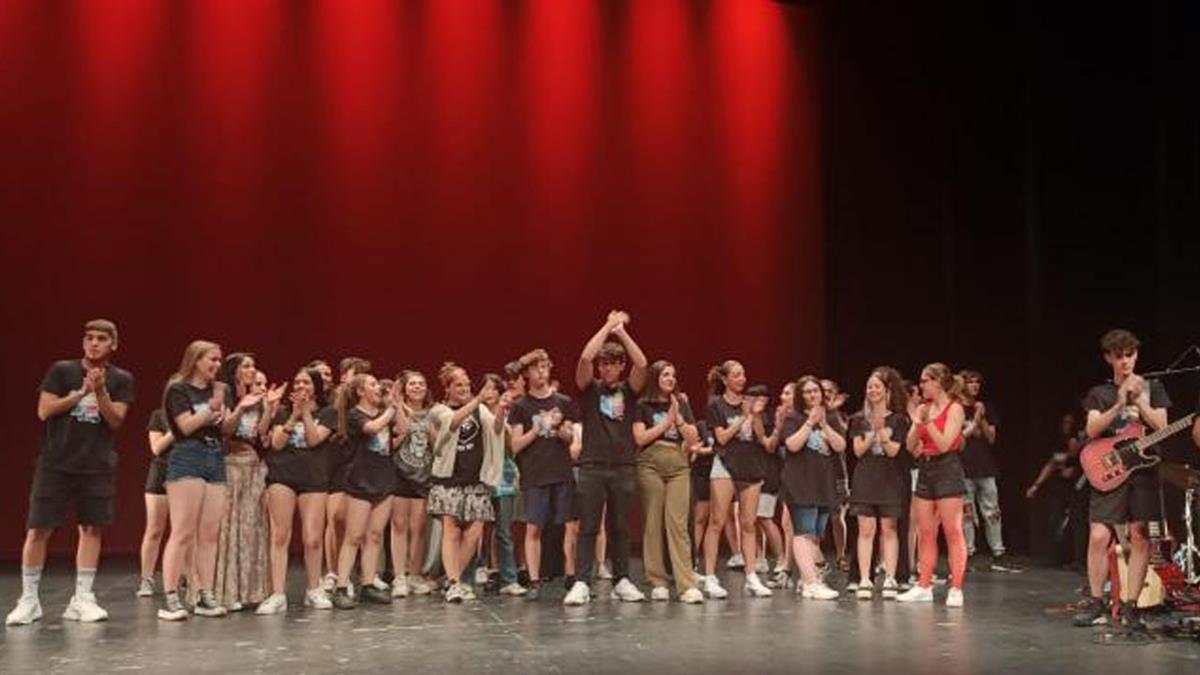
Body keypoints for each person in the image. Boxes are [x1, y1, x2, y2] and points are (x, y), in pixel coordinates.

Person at [7, 319, 135, 626]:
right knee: (38, 529)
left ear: (113, 344)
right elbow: (44, 410)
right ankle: (29, 600)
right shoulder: (61, 371)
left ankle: (82, 598)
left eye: (101, 339)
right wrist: (81, 393)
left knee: (91, 528)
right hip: (56, 462)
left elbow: (116, 419)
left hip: (96, 464)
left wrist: (100, 391)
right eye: (89, 338)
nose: (94, 343)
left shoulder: (121, 378)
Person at [1072, 330, 1170, 630]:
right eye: (1118, 356)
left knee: (1140, 536)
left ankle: (1131, 606)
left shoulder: (1153, 387)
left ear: (1136, 355)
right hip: (1110, 470)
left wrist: (1139, 401)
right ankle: (1096, 601)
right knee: (1100, 536)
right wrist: (1117, 403)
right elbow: (1091, 430)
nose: (1125, 361)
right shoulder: (1098, 393)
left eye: (1130, 355)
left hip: (1143, 472)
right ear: (1108, 358)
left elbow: (1162, 426)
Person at [564, 311, 649, 605]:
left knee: (621, 526)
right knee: (588, 525)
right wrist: (607, 326)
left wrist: (622, 332)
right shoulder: (590, 389)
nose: (608, 369)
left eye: (614, 364)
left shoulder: (630, 390)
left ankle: (622, 579)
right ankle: (582, 582)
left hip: (623, 466)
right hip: (592, 467)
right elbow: (584, 359)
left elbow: (642, 363)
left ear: (620, 367)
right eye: (605, 364)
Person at [157, 340, 243, 621]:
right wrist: (210, 409)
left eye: (219, 361)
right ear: (195, 360)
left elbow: (227, 429)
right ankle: (171, 596)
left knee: (209, 533)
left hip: (215, 456)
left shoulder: (222, 390)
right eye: (212, 360)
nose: (217, 366)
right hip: (187, 456)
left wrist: (239, 409)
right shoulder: (178, 389)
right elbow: (184, 426)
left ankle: (205, 593)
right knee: (183, 531)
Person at [257, 367, 336, 614]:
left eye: (307, 383)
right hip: (282, 476)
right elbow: (277, 444)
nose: (301, 387)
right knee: (280, 535)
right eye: (298, 383)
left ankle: (313, 589)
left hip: (314, 478)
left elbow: (314, 440)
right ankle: (277, 593)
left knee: (312, 538)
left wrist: (306, 414)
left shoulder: (328, 413)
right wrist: (293, 416)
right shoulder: (281, 412)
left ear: (316, 388)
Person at [428, 364, 508, 603]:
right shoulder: (439, 409)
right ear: (448, 388)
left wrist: (502, 410)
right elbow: (452, 422)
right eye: (458, 385)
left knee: (473, 535)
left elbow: (495, 430)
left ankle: (451, 579)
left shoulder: (480, 409)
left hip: (476, 480)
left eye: (466, 384)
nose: (464, 389)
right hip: (450, 480)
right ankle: (454, 583)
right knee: (451, 531)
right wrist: (477, 400)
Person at [699, 360, 774, 599]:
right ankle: (710, 576)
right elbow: (721, 438)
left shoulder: (750, 403)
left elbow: (761, 437)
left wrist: (756, 416)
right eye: (737, 375)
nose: (742, 379)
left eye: (743, 374)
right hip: (726, 464)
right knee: (717, 521)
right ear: (725, 379)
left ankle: (751, 576)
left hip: (751, 464)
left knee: (749, 524)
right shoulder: (716, 405)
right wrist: (743, 417)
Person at [632, 361, 705, 603]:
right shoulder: (643, 404)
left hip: (678, 463)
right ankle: (657, 581)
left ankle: (686, 584)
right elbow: (640, 437)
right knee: (653, 522)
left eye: (673, 375)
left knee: (678, 524)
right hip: (650, 463)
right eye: (665, 374)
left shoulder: (681, 402)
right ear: (655, 377)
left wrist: (679, 419)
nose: (671, 378)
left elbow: (694, 437)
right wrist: (665, 423)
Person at [508, 349, 578, 600]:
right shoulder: (520, 407)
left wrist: (558, 427)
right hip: (534, 474)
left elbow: (570, 439)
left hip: (561, 472)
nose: (542, 372)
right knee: (533, 528)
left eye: (545, 367)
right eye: (537, 368)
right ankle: (534, 580)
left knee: (570, 525)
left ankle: (571, 576)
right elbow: (515, 445)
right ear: (527, 373)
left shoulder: (563, 402)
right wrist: (537, 428)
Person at [897, 363, 968, 607]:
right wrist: (917, 423)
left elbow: (946, 443)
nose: (921, 385)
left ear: (938, 382)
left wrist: (925, 424)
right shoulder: (924, 408)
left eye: (925, 381)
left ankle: (956, 588)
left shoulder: (955, 408)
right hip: (926, 469)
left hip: (948, 468)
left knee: (952, 531)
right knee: (926, 531)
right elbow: (909, 446)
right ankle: (924, 585)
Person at [331, 373, 398, 609]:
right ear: (360, 392)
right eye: (371, 383)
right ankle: (341, 586)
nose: (377, 386)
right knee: (354, 536)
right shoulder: (355, 415)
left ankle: (368, 584)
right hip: (361, 480)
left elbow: (404, 429)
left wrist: (397, 407)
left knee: (375, 535)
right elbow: (372, 429)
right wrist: (390, 410)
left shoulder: (384, 412)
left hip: (384, 479)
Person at [215, 356, 277, 611]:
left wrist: (270, 410)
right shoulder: (227, 394)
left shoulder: (259, 398)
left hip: (252, 466)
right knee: (229, 526)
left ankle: (250, 590)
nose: (252, 371)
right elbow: (225, 431)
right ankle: (226, 592)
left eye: (254, 365)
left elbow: (260, 435)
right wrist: (242, 406)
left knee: (251, 526)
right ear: (235, 370)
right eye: (247, 366)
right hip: (229, 464)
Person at [846, 368, 910, 600]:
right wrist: (873, 432)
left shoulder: (899, 419)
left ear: (887, 391)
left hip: (890, 478)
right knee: (865, 530)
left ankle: (891, 577)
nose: (872, 390)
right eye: (870, 386)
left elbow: (894, 451)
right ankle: (864, 578)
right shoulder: (858, 419)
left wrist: (883, 432)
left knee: (889, 529)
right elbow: (857, 450)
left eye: (877, 387)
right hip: (865, 477)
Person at [781, 376, 847, 600]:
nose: (812, 395)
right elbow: (792, 444)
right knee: (803, 531)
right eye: (807, 392)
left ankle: (808, 578)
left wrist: (824, 424)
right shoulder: (794, 418)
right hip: (800, 483)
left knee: (815, 535)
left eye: (815, 391)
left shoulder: (830, 418)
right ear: (801, 396)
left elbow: (840, 445)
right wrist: (809, 423)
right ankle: (810, 582)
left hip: (823, 485)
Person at [322, 356, 371, 595]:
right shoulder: (334, 398)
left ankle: (353, 572)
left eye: (349, 374)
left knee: (354, 523)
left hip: (357, 462)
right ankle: (333, 572)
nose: (343, 378)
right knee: (335, 519)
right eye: (343, 374)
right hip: (334, 461)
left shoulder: (366, 402)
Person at [958, 370, 1014, 571]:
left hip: (986, 466)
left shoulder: (985, 407)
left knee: (992, 511)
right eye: (971, 382)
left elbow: (991, 437)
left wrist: (980, 416)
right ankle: (968, 554)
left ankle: (998, 553)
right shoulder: (956, 408)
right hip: (963, 468)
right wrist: (973, 420)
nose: (975, 386)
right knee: (966, 513)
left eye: (977, 383)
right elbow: (958, 438)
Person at [389, 370, 438, 598]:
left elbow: (438, 446)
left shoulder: (433, 413)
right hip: (400, 473)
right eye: (412, 384)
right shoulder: (394, 409)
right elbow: (397, 434)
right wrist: (398, 406)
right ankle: (399, 576)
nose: (417, 387)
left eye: (421, 383)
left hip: (423, 475)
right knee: (399, 526)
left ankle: (415, 574)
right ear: (405, 389)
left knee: (418, 529)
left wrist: (429, 429)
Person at [1026, 413, 1086, 570]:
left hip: (1079, 487)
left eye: (1069, 422)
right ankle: (1056, 558)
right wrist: (1036, 485)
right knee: (1055, 521)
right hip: (1060, 488)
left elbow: (1075, 454)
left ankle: (1080, 561)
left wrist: (1076, 443)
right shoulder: (1059, 443)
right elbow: (1051, 465)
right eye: (1064, 422)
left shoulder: (1081, 442)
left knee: (1078, 524)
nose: (1066, 425)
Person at [820, 379, 852, 573]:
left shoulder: (838, 416)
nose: (826, 394)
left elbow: (841, 440)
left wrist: (832, 411)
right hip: (815, 473)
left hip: (836, 471)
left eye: (830, 390)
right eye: (822, 390)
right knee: (817, 516)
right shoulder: (809, 415)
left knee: (836, 516)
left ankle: (841, 555)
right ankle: (817, 557)